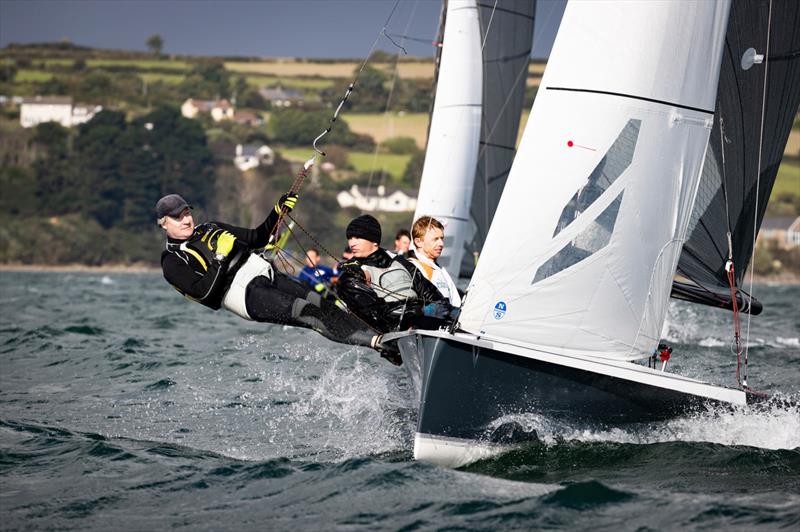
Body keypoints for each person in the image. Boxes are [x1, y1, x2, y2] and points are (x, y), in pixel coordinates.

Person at [156, 193, 393, 355]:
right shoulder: (171, 261)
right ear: (163, 223)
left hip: (268, 275)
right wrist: (220, 256)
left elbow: (257, 238)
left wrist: (277, 211)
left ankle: (384, 334)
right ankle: (378, 343)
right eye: (178, 217)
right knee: (308, 312)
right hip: (246, 296)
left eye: (187, 212)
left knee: (324, 302)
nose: (186, 219)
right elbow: (205, 295)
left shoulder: (211, 227)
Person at [336, 214, 455, 332]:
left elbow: (428, 291)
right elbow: (375, 313)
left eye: (357, 237)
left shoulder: (399, 261)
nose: (352, 243)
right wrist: (421, 310)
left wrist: (446, 308)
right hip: (393, 331)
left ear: (374, 240)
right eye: (350, 238)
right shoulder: (351, 274)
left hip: (421, 322)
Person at [407, 216, 462, 307]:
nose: (441, 243)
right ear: (418, 242)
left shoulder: (439, 270)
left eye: (442, 238)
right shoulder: (412, 268)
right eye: (435, 239)